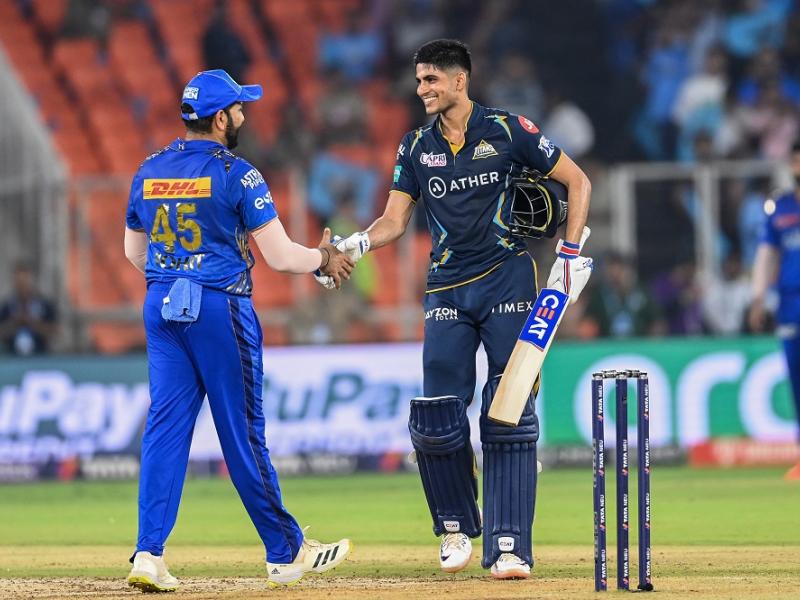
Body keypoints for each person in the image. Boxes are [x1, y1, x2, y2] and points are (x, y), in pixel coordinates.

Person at [322, 39, 592, 578]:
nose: (421, 89)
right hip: (446, 287)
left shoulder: (509, 129)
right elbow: (394, 220)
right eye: (419, 80)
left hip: (507, 279)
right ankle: (453, 528)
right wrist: (353, 245)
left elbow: (577, 180)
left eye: (431, 79)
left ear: (459, 80)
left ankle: (509, 545)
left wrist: (567, 255)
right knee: (438, 414)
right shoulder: (415, 146)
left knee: (509, 409)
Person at [122, 69, 354, 592]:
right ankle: (286, 553)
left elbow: (135, 253)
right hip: (218, 310)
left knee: (164, 429)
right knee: (243, 432)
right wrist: (324, 257)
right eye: (239, 108)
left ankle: (148, 554)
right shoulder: (238, 173)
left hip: (162, 305)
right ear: (221, 118)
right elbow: (281, 256)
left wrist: (175, 277)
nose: (245, 115)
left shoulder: (149, 169)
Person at [748, 140, 800, 481]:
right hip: (790, 304)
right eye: (796, 160)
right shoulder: (780, 207)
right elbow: (767, 254)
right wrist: (758, 298)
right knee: (797, 380)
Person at [0, 262, 58, 355]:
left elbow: (55, 332)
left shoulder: (45, 305)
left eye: (24, 281)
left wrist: (32, 322)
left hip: (40, 356)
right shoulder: (7, 306)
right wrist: (15, 322)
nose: (22, 286)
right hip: (12, 357)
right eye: (19, 282)